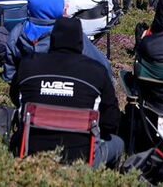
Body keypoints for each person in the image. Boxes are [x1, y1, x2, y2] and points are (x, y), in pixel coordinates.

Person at [10, 17, 123, 168]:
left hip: (32, 154)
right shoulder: (96, 71)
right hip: (82, 158)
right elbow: (111, 121)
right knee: (118, 143)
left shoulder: (28, 65)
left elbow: (16, 98)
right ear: (81, 42)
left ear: (53, 39)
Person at [3, 0, 111, 83]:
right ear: (53, 9)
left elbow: (10, 72)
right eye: (62, 4)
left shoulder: (17, 32)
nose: (67, 5)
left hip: (30, 91)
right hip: (66, 90)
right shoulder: (70, 33)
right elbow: (102, 66)